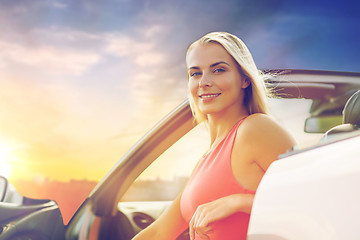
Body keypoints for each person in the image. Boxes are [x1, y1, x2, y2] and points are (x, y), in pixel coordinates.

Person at [132, 32, 295, 240]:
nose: (204, 82)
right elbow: (158, 233)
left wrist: (238, 202)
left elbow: (312, 203)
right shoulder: (206, 158)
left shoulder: (255, 129)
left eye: (218, 70)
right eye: (195, 73)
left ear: (244, 79)